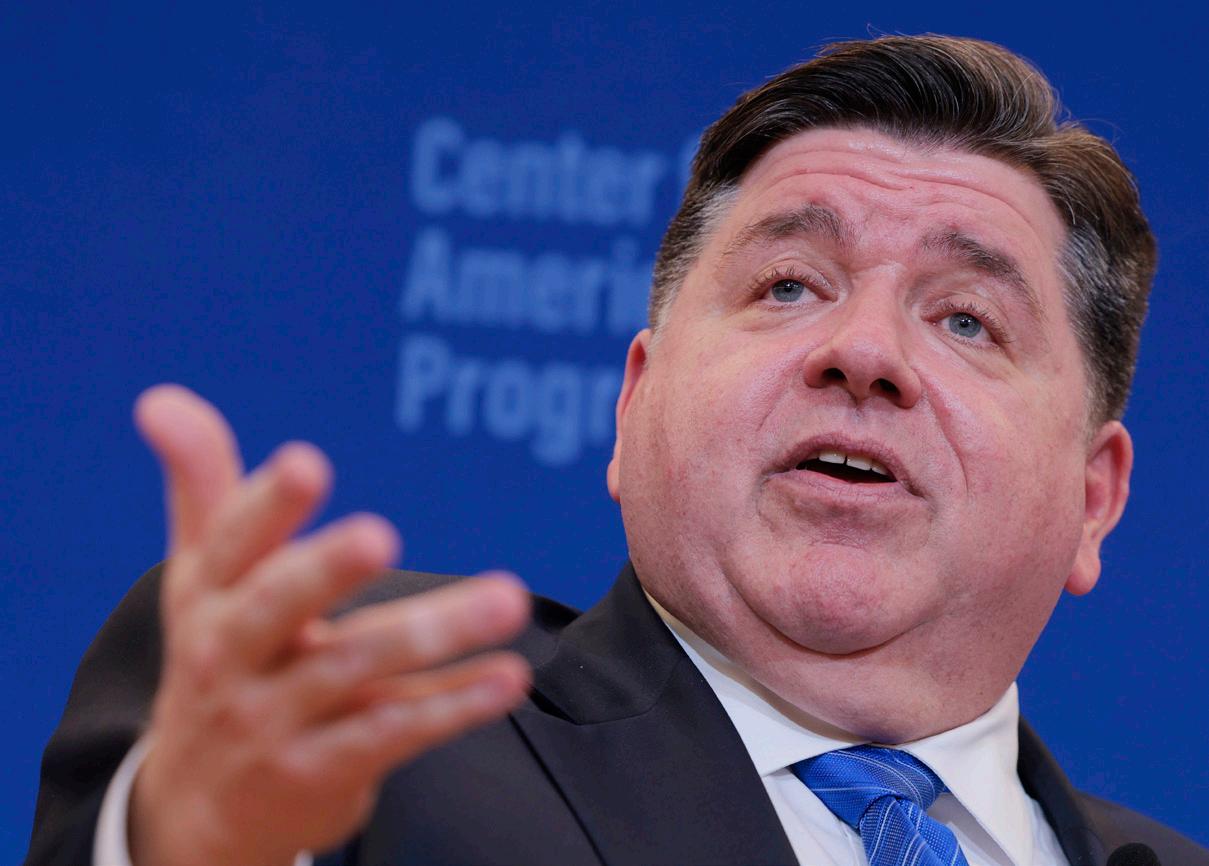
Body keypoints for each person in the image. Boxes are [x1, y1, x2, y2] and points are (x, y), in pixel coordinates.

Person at [25, 34, 1209, 866]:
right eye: (790, 283)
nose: (863, 350)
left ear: (1094, 496)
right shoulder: (348, 716)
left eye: (966, 319)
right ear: (634, 400)